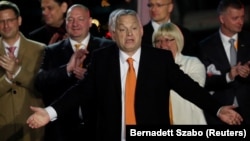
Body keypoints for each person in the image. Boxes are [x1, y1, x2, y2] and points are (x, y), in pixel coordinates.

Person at [27, 9, 243, 141]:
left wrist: (217, 108)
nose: (129, 34)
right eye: (122, 29)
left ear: (141, 31)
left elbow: (189, 88)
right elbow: (80, 92)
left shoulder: (159, 59)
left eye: (133, 28)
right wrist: (49, 113)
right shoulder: (102, 59)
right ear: (115, 33)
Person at [34, 4, 115, 141]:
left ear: (89, 22)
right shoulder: (52, 50)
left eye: (80, 19)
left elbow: (115, 83)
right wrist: (66, 69)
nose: (75, 24)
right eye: (70, 19)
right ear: (65, 23)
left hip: (98, 127)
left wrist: (91, 77)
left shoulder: (107, 48)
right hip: (62, 129)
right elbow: (40, 82)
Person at [198, 0, 250, 124]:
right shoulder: (205, 47)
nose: (240, 22)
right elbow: (203, 80)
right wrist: (229, 76)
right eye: (235, 18)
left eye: (242, 17)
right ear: (222, 19)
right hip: (220, 116)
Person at [0, 1, 45, 141]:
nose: (6, 25)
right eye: (1, 21)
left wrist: (17, 71)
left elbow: (43, 88)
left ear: (19, 20)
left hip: (32, 126)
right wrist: (7, 79)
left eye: (10, 20)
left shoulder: (40, 50)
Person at [152, 22, 207, 124]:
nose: (163, 45)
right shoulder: (151, 68)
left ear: (177, 41)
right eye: (158, 41)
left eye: (167, 40)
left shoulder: (192, 63)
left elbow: (194, 89)